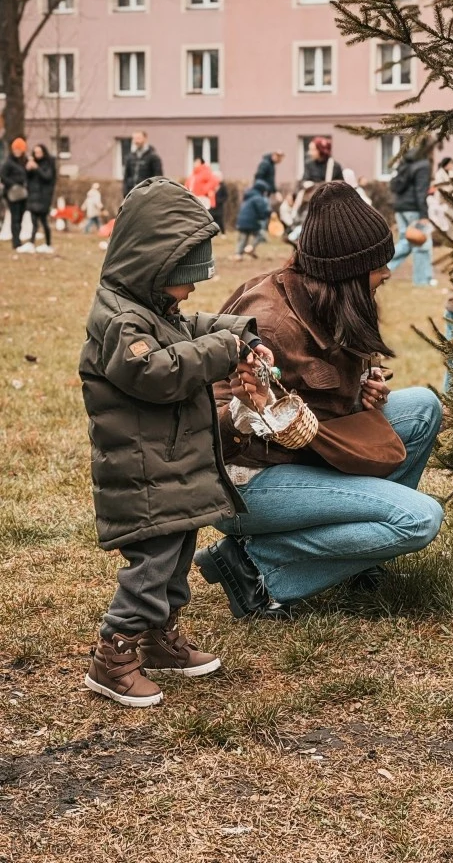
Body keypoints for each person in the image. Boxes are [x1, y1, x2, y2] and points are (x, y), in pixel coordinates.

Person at [194, 180, 444, 619]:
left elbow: (321, 396)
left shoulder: (327, 298)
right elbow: (206, 424)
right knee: (418, 519)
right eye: (378, 266)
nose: (386, 273)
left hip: (302, 455)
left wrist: (365, 387)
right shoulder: (270, 323)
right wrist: (251, 414)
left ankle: (356, 558)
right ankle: (255, 567)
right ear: (348, 272)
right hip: (245, 482)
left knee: (423, 407)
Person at [79, 177, 270, 708]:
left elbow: (193, 325)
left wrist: (243, 335)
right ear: (152, 269)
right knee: (152, 566)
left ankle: (160, 638)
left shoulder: (153, 309)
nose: (189, 293)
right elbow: (157, 370)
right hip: (143, 474)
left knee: (178, 553)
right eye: (182, 281)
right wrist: (221, 350)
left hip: (170, 469)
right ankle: (113, 656)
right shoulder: (119, 322)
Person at [388, 141, 436, 286]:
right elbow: (421, 192)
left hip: (400, 208)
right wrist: (423, 215)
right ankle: (422, 280)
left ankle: (382, 268)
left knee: (406, 242)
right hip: (414, 209)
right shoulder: (423, 165)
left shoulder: (405, 163)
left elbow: (394, 186)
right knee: (421, 244)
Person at [25, 143, 57, 253]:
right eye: (35, 152)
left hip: (44, 197)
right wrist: (28, 169)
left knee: (44, 222)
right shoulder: (32, 162)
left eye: (39, 152)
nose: (37, 154)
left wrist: (36, 168)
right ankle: (31, 242)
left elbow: (47, 177)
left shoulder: (49, 163)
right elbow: (27, 179)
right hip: (33, 196)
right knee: (33, 222)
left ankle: (48, 243)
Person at [1, 137, 30, 252]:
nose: (17, 151)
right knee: (15, 218)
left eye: (19, 149)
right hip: (12, 194)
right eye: (15, 149)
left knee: (21, 218)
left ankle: (18, 239)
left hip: (23, 193)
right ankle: (16, 242)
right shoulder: (8, 163)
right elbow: (3, 176)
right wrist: (13, 184)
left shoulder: (24, 162)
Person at [235, 179, 270, 261]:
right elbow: (261, 211)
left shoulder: (248, 196)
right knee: (260, 235)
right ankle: (250, 248)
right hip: (251, 221)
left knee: (243, 238)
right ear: (262, 190)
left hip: (241, 221)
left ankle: (238, 254)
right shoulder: (258, 198)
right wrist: (265, 215)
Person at [122, 130, 163, 197]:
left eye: (138, 138)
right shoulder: (130, 157)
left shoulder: (153, 157)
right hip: (131, 194)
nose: (136, 141)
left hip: (147, 195)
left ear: (145, 138)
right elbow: (126, 177)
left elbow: (158, 178)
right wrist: (125, 193)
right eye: (134, 139)